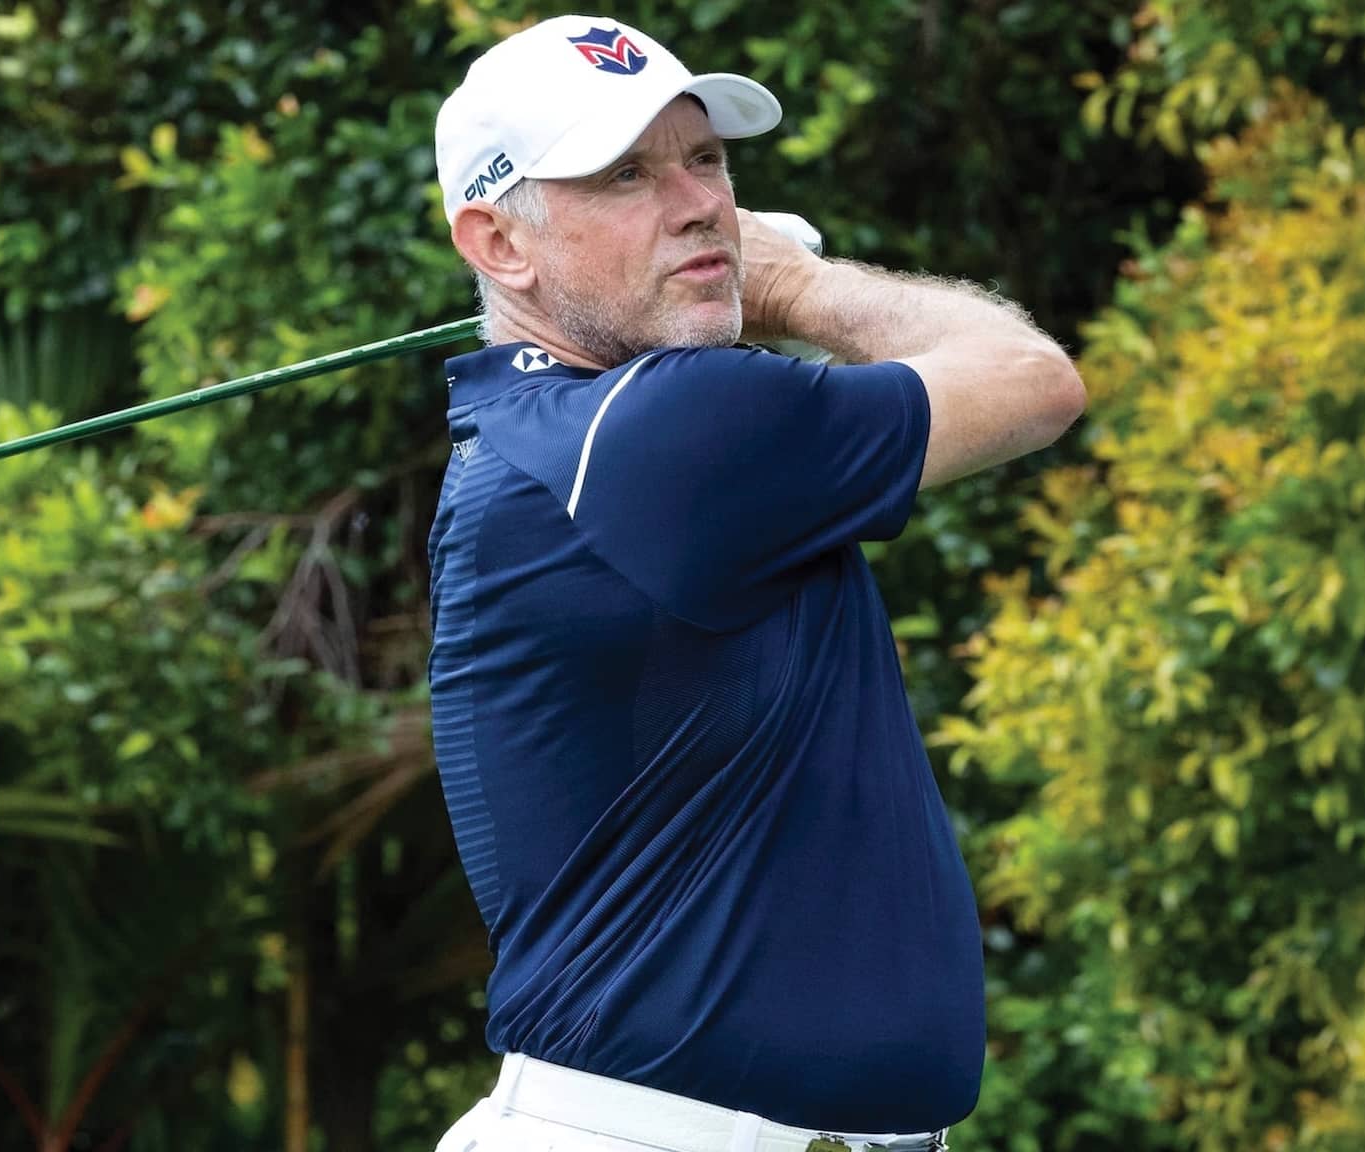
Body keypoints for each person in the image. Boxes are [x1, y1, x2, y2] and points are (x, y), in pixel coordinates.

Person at [423, 14, 1086, 1152]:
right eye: (624, 174)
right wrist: (800, 285)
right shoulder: (663, 429)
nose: (698, 205)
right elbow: (1030, 378)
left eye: (706, 160)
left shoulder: (563, 436)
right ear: (500, 244)